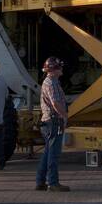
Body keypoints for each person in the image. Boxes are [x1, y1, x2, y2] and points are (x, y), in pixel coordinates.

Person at [36, 57, 70, 192]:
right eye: (59, 67)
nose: (61, 69)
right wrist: (65, 115)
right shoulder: (51, 83)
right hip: (53, 121)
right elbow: (55, 103)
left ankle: (40, 181)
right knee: (53, 154)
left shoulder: (53, 82)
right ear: (54, 69)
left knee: (48, 153)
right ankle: (53, 182)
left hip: (50, 121)